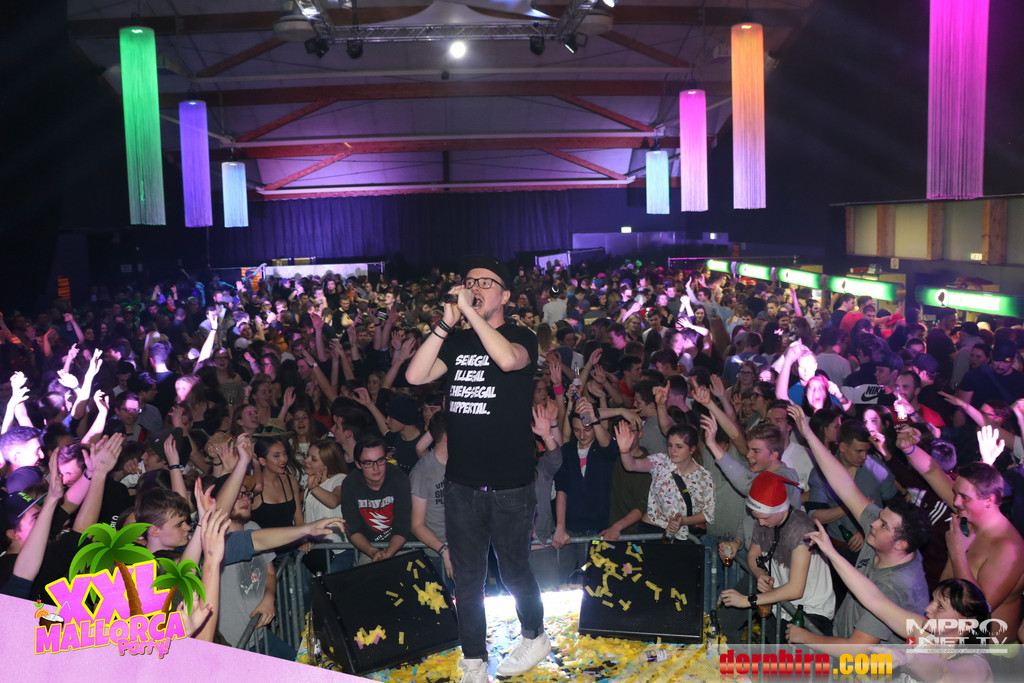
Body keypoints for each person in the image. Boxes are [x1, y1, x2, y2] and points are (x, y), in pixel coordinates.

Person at [406, 254, 549, 683]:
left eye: (486, 283)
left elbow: (506, 361)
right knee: (467, 581)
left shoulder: (521, 337)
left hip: (509, 486)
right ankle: (473, 662)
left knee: (515, 572)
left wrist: (469, 312)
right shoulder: (457, 342)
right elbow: (415, 376)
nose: (475, 287)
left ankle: (534, 635)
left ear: (505, 295)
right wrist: (445, 324)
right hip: (461, 485)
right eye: (470, 281)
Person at [786, 405, 930, 648]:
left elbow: (857, 649)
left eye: (883, 525)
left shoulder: (895, 587)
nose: (872, 523)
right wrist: (808, 435)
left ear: (901, 544)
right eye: (879, 517)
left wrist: (805, 637)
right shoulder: (888, 540)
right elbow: (844, 485)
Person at [803, 522, 992, 681]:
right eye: (933, 601)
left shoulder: (975, 665)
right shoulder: (925, 632)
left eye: (940, 607)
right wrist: (830, 552)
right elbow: (874, 599)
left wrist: (906, 658)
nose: (928, 608)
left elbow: (942, 672)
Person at [720, 471, 835, 641]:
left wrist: (748, 600)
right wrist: (760, 573)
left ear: (781, 509)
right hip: (780, 603)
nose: (761, 523)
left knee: (782, 657)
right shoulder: (763, 521)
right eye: (757, 518)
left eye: (765, 518)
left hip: (810, 610)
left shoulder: (801, 529)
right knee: (726, 621)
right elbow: (753, 554)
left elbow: (796, 589)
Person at [614, 421, 714, 543]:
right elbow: (631, 465)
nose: (673, 450)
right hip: (651, 530)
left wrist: (683, 521)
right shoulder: (661, 461)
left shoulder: (703, 476)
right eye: (670, 445)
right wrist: (624, 451)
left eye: (679, 446)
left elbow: (707, 514)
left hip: (681, 535)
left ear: (692, 449)